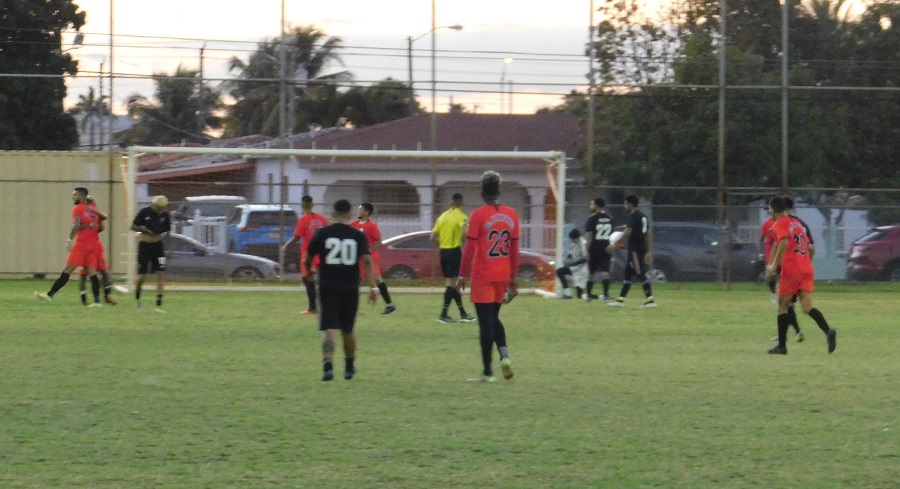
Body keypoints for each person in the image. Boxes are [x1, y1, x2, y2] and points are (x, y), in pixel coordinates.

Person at [304, 199, 380, 381]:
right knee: (348, 328)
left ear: (332, 214)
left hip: (327, 285)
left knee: (329, 328)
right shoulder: (357, 235)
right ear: (349, 215)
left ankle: (328, 366)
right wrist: (373, 287)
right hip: (350, 286)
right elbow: (367, 262)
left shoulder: (321, 233)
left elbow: (308, 257)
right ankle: (348, 367)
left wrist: (309, 272)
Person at [456, 171, 518, 382]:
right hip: (503, 274)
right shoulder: (512, 214)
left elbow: (469, 248)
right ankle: (504, 356)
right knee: (494, 317)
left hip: (483, 274)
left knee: (485, 323)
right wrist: (514, 279)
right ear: (498, 191)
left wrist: (461, 274)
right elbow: (514, 249)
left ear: (482, 192)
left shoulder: (478, 215)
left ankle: (487, 371)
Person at [765, 196, 836, 355]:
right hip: (806, 269)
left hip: (791, 270)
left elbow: (782, 243)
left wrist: (774, 265)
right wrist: (805, 264)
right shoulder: (797, 223)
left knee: (782, 307)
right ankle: (828, 331)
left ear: (773, 209)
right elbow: (811, 249)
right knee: (807, 308)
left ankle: (782, 347)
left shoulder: (779, 223)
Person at [35, 187, 104, 304]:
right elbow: (101, 226)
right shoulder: (94, 209)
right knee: (92, 273)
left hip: (82, 244)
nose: (73, 197)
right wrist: (89, 227)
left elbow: (76, 225)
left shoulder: (77, 209)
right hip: (94, 244)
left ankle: (49, 295)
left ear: (81, 196)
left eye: (75, 195)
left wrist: (69, 239)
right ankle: (97, 302)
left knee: (67, 270)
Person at [431, 193, 476, 323]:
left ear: (451, 203)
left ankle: (463, 314)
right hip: (454, 251)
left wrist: (443, 244)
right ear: (462, 204)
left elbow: (433, 236)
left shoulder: (442, 216)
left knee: (452, 284)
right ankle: (443, 315)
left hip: (443, 252)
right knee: (452, 284)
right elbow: (466, 232)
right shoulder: (461, 216)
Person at [606, 194, 656, 307]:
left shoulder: (633, 216)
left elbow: (628, 232)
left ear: (630, 204)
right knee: (628, 273)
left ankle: (650, 299)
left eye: (625, 204)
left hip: (635, 249)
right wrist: (648, 250)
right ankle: (620, 300)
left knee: (640, 273)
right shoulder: (643, 216)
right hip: (639, 248)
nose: (624, 206)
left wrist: (615, 244)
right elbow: (648, 234)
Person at [282, 195, 328, 315]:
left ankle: (313, 308)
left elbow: (297, 236)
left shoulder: (303, 219)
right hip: (322, 253)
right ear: (313, 205)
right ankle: (323, 306)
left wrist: (286, 245)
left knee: (308, 280)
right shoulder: (322, 219)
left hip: (309, 254)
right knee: (321, 280)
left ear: (302, 206)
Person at [351, 202, 396, 314]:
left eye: (361, 209)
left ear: (367, 212)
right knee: (356, 279)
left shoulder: (371, 225)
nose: (359, 211)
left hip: (369, 258)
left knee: (376, 278)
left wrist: (369, 250)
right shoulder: (355, 224)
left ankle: (389, 304)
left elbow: (379, 242)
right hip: (358, 257)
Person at [130, 195, 172, 312]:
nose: (160, 210)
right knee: (142, 275)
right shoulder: (144, 212)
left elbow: (167, 228)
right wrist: (145, 230)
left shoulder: (165, 215)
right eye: (158, 208)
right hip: (145, 246)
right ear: (153, 205)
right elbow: (133, 226)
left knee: (160, 272)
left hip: (158, 246)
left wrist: (158, 232)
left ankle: (159, 303)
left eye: (162, 208)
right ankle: (138, 299)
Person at [77, 196, 117, 306]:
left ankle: (85, 300)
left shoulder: (80, 211)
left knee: (84, 275)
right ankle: (107, 296)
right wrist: (93, 230)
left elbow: (76, 226)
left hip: (85, 247)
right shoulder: (96, 211)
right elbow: (102, 227)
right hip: (95, 246)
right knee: (104, 272)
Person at [584, 197, 614, 301]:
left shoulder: (592, 218)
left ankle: (588, 295)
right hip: (606, 247)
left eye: (592, 204)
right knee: (606, 272)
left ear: (596, 205)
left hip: (595, 248)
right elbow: (613, 234)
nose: (591, 206)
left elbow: (590, 236)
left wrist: (587, 250)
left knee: (591, 273)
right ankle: (606, 295)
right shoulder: (610, 218)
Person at [556, 228, 589, 299]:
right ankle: (568, 294)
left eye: (572, 239)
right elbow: (570, 255)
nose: (572, 241)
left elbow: (585, 258)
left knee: (579, 295)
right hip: (574, 269)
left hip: (581, 270)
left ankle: (591, 296)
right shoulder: (573, 244)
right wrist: (567, 261)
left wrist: (573, 264)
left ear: (577, 237)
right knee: (559, 271)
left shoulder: (583, 243)